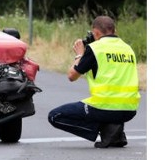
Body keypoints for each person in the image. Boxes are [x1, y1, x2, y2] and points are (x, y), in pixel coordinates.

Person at [47, 16, 139, 148]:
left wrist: (79, 54)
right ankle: (114, 128)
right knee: (109, 113)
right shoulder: (128, 49)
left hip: (104, 107)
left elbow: (72, 76)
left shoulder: (96, 48)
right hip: (129, 110)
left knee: (55, 116)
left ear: (95, 32)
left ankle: (106, 130)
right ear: (115, 30)